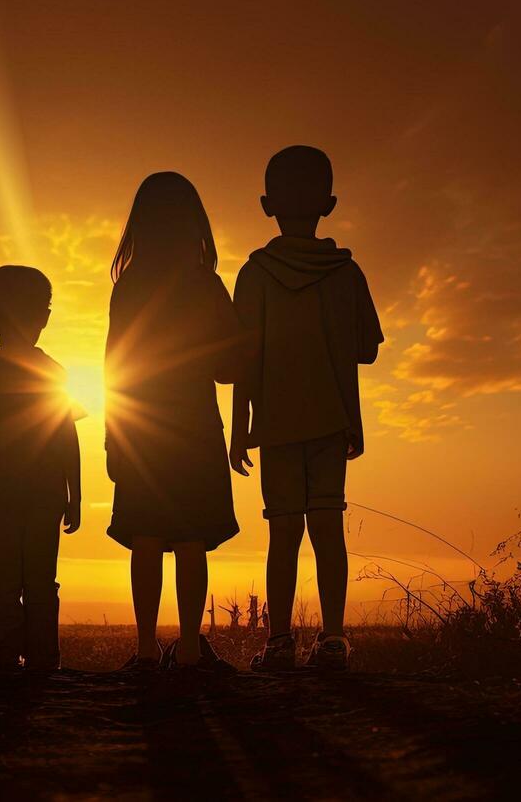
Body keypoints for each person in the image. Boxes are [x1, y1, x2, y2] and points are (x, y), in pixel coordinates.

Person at [230, 146, 383, 672]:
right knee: (328, 528)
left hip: (273, 423)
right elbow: (366, 348)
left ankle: (278, 642)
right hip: (331, 420)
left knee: (282, 532)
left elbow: (242, 358)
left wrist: (238, 426)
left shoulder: (254, 275)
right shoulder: (347, 273)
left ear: (266, 204)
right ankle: (334, 639)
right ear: (330, 203)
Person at [105, 171, 243, 671]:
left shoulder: (130, 286)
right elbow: (230, 369)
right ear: (195, 225)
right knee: (191, 540)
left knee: (143, 538)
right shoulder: (206, 284)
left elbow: (113, 365)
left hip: (138, 428)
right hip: (195, 429)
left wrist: (112, 437)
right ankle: (188, 647)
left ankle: (144, 649)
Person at [0, 265, 84, 672]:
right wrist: (73, 493)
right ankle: (38, 657)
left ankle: (3, 654)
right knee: (37, 582)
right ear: (44, 316)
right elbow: (68, 441)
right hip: (39, 495)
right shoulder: (53, 372)